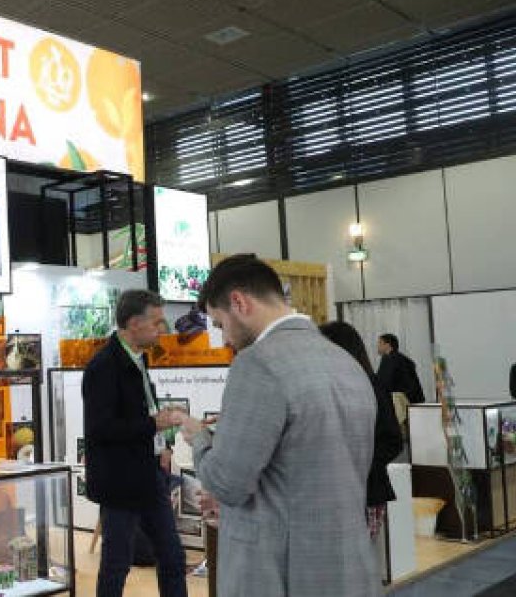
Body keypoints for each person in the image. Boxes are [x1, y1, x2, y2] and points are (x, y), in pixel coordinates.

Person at [167, 255, 379, 597]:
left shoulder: (257, 364)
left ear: (239, 302)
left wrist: (200, 437)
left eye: (221, 325)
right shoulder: (344, 361)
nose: (224, 340)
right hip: (347, 568)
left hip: (278, 572)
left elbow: (226, 483)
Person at [82, 289, 186, 597]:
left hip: (149, 475)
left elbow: (144, 412)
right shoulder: (103, 367)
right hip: (119, 483)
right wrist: (153, 424)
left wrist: (162, 445)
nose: (161, 329)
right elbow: (101, 429)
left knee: (172, 556)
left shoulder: (139, 361)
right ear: (133, 323)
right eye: (156, 322)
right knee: (116, 564)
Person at [321, 321, 404, 579]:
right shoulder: (329, 385)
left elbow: (392, 440)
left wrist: (356, 462)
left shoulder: (369, 384)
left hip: (365, 492)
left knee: (353, 571)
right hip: (337, 495)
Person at [377, 334, 425, 404]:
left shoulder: (390, 359)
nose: (378, 346)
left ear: (387, 345)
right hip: (413, 401)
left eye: (380, 343)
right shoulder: (400, 358)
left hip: (401, 403)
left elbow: (383, 383)